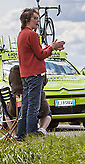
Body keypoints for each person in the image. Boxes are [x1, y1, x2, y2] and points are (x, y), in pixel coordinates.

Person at [16, 8, 64, 139]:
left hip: (25, 75)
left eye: (38, 18)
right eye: (35, 19)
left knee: (25, 107)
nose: (38, 21)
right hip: (35, 74)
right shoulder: (32, 35)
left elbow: (33, 53)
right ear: (27, 20)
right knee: (33, 107)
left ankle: (20, 135)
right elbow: (40, 54)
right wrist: (52, 47)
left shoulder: (21, 34)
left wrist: (50, 47)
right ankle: (32, 135)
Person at [7, 65, 51, 136]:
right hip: (40, 106)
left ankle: (14, 133)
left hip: (16, 106)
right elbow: (44, 82)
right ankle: (42, 129)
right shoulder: (37, 71)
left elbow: (10, 83)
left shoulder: (14, 71)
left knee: (7, 113)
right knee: (48, 112)